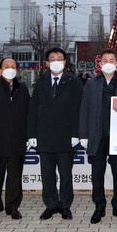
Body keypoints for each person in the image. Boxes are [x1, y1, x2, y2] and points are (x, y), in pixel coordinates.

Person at [27, 47, 83, 220]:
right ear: (47, 62)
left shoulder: (74, 81)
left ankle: (65, 205)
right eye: (53, 58)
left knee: (66, 175)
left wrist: (77, 133)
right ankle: (50, 205)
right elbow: (33, 109)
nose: (56, 61)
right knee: (47, 175)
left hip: (66, 138)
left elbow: (79, 109)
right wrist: (32, 135)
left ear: (65, 61)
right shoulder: (41, 81)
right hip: (44, 137)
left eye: (60, 58)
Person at [78, 49, 117, 224]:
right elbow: (84, 109)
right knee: (97, 174)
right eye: (105, 60)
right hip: (97, 135)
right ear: (100, 64)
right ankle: (99, 207)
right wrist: (83, 134)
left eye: (112, 60)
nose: (108, 63)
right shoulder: (92, 83)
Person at [0, 57, 30, 223]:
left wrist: (29, 137)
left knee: (15, 177)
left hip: (17, 141)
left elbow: (28, 115)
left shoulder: (22, 89)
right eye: (6, 66)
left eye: (13, 66)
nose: (10, 68)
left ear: (17, 69)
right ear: (0, 70)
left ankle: (12, 207)